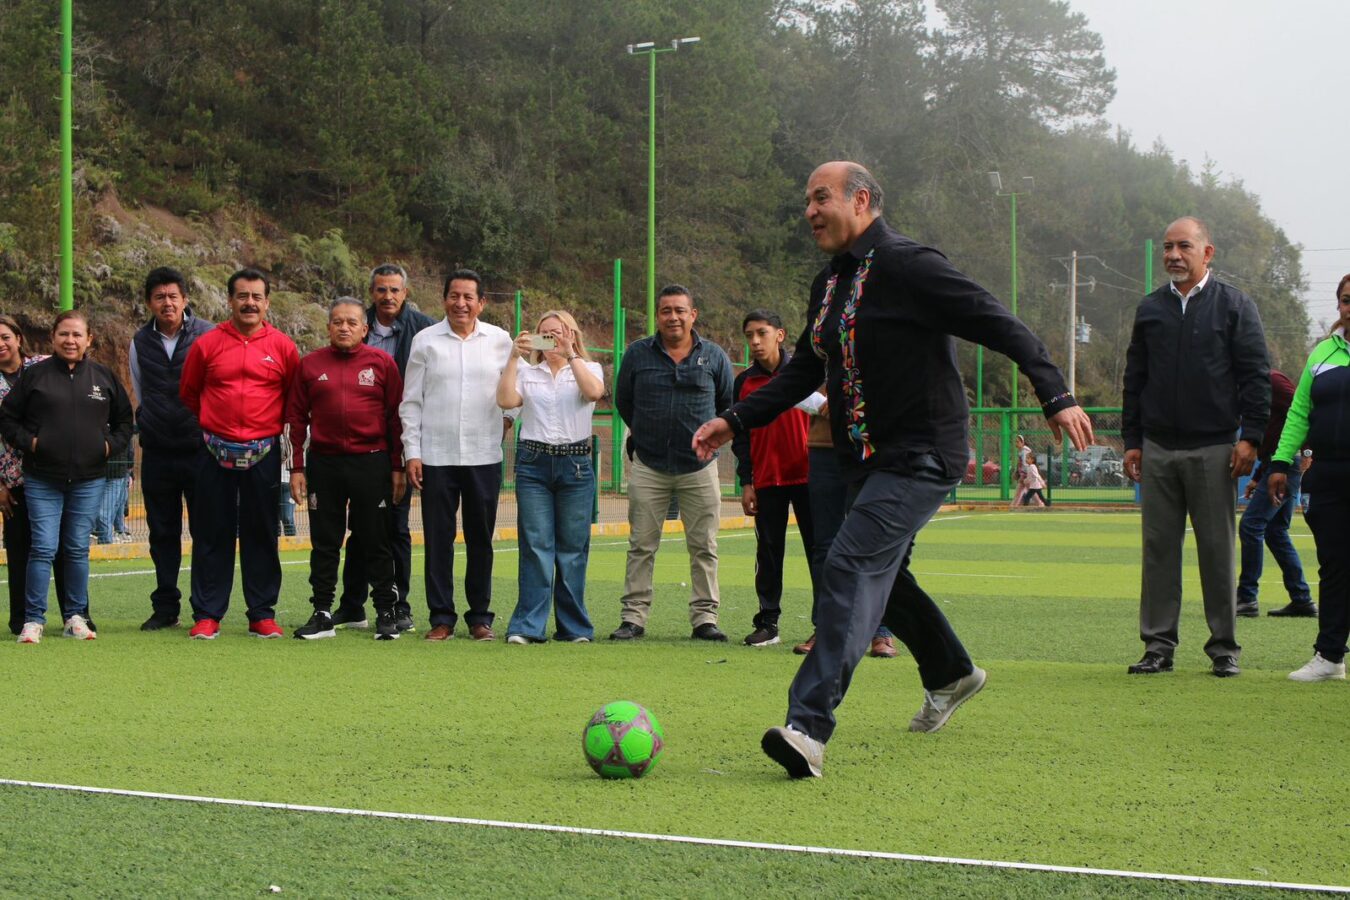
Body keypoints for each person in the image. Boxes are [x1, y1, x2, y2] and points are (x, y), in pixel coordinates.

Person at [692, 161, 1092, 778]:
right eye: (806, 200)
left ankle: (808, 726)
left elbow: (997, 322)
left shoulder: (911, 265)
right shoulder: (829, 284)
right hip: (863, 456)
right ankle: (952, 672)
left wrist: (1055, 393)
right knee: (882, 576)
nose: (809, 211)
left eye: (820, 198)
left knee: (849, 564)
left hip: (923, 451)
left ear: (862, 199)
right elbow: (805, 369)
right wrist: (735, 419)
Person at [1122, 217, 1270, 678]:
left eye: (1184, 246)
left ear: (1208, 253)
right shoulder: (1150, 309)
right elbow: (1135, 381)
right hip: (1159, 447)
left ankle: (1223, 647)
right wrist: (1133, 441)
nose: (1173, 255)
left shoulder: (1234, 306)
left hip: (1214, 448)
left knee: (1217, 551)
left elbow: (1255, 376)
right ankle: (1158, 647)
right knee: (1158, 551)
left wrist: (1251, 438)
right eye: (1168, 247)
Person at [179, 268, 299, 639]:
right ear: (229, 300)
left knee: (262, 532)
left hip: (264, 454)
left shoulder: (283, 346)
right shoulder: (207, 344)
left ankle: (261, 613)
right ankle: (208, 614)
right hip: (213, 453)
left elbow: (294, 400)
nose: (249, 303)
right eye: (242, 296)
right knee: (211, 532)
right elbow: (189, 393)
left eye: (256, 297)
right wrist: (221, 427)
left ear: (267, 303)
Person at [1, 310, 133, 643]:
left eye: (77, 335)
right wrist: (32, 442)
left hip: (89, 480)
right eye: (64, 334)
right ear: (53, 338)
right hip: (42, 479)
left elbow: (125, 422)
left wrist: (106, 448)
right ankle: (33, 620)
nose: (70, 341)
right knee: (43, 548)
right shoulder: (35, 376)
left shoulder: (103, 377)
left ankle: (75, 616)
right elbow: (7, 419)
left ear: (89, 340)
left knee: (75, 549)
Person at [613, 285, 735, 642]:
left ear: (692, 315)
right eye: (666, 310)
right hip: (649, 466)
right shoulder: (638, 354)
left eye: (680, 310)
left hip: (700, 467)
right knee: (641, 545)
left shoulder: (714, 357)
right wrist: (646, 434)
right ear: (658, 316)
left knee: (704, 547)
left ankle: (704, 619)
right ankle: (633, 618)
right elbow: (624, 401)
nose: (673, 317)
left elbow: (727, 405)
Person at [401, 268, 513, 642]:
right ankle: (441, 618)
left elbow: (518, 385)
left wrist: (509, 418)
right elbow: (411, 401)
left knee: (480, 539)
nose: (460, 303)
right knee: (438, 538)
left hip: (484, 456)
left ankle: (480, 617)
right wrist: (412, 452)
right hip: (436, 456)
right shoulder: (425, 341)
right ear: (444, 298)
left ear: (481, 302)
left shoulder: (500, 340)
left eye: (469, 297)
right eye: (454, 296)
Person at [285, 297, 405, 641]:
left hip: (372, 463)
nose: (344, 327)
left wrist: (396, 466)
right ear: (328, 327)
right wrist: (296, 467)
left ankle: (385, 610)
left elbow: (396, 418)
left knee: (376, 539)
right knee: (325, 541)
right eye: (337, 321)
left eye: (352, 322)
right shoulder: (309, 365)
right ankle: (322, 612)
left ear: (365, 329)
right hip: (324, 464)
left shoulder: (383, 364)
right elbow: (295, 419)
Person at [335, 263, 434, 632]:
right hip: (357, 444)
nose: (388, 296)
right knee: (357, 529)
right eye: (381, 290)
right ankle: (352, 605)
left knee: (394, 527)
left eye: (394, 290)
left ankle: (399, 606)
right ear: (372, 293)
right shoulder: (355, 325)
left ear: (405, 293)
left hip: (400, 442)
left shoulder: (424, 329)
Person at [497, 310, 604, 644]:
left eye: (557, 332)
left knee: (572, 549)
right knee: (535, 546)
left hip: (575, 464)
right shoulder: (529, 373)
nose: (550, 339)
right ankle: (527, 626)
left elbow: (594, 393)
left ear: (571, 333)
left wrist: (571, 355)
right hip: (533, 464)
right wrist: (515, 356)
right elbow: (506, 400)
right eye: (543, 333)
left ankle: (574, 628)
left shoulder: (589, 369)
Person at [1266, 274, 1350, 682]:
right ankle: (1330, 657)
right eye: (1347, 301)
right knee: (1334, 565)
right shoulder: (1322, 354)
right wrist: (1281, 463)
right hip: (1327, 475)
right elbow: (1299, 412)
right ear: (1339, 306)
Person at [129, 266, 215, 630]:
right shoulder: (139, 341)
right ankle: (166, 607)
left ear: (185, 299)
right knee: (162, 532)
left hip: (200, 450)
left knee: (205, 531)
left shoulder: (208, 335)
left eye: (173, 296)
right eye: (159, 297)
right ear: (150, 302)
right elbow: (140, 390)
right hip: (159, 453)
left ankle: (204, 608)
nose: (167, 302)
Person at [795, 387, 900, 659]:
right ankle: (827, 630)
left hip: (870, 447)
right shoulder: (817, 344)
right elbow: (792, 379)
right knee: (825, 545)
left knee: (873, 542)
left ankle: (881, 630)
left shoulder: (882, 344)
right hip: (824, 447)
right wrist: (821, 403)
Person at [733, 310, 814, 648]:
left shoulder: (807, 374)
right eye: (749, 335)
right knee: (767, 553)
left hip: (811, 478)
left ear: (780, 335)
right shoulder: (744, 382)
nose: (754, 341)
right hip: (766, 480)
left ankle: (825, 625)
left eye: (761, 333)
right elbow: (740, 434)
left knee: (820, 552)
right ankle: (768, 623)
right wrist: (747, 480)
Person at [0, 314, 77, 635]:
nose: (0, 344)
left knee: (63, 547)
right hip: (13, 481)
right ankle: (22, 619)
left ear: (18, 338)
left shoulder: (44, 367)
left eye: (5, 336)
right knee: (20, 550)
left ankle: (74, 615)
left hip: (53, 474)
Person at [1236, 370, 1313, 618]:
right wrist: (1258, 476)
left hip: (1287, 464)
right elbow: (1270, 437)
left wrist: (1307, 453)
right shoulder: (1249, 387)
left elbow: (1303, 412)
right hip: (1275, 464)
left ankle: (1246, 598)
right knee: (1275, 531)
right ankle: (1301, 599)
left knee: (1251, 525)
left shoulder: (1272, 381)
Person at [94, 446, 134, 543]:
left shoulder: (122, 433)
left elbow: (129, 449)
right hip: (100, 473)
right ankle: (107, 538)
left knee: (110, 509)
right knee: (105, 511)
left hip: (116, 473)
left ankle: (107, 540)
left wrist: (130, 472)